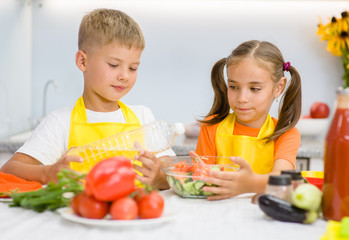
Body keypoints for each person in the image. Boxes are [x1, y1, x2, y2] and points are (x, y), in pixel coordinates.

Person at [0, 8, 174, 189]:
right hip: (81, 214)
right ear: (83, 62)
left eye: (133, 68)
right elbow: (9, 169)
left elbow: (173, 174)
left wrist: (158, 178)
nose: (124, 76)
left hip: (131, 216)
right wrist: (47, 173)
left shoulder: (143, 117)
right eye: (114, 65)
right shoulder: (61, 122)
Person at [194, 40, 302, 200]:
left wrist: (249, 184)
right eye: (234, 87)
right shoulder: (212, 127)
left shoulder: (286, 135)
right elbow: (199, 180)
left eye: (254, 89)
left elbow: (282, 181)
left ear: (278, 87)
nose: (242, 98)